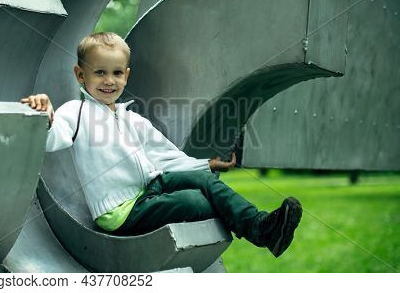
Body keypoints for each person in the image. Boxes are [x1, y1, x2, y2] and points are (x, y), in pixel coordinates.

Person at [21, 32, 302, 257]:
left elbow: (165, 155)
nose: (109, 81)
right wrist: (44, 115)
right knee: (195, 201)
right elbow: (52, 138)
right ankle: (247, 222)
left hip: (149, 189)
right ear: (81, 75)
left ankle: (261, 228)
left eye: (117, 73)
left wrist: (207, 164)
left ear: (126, 75)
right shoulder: (74, 112)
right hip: (121, 212)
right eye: (99, 73)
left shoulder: (131, 118)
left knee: (206, 182)